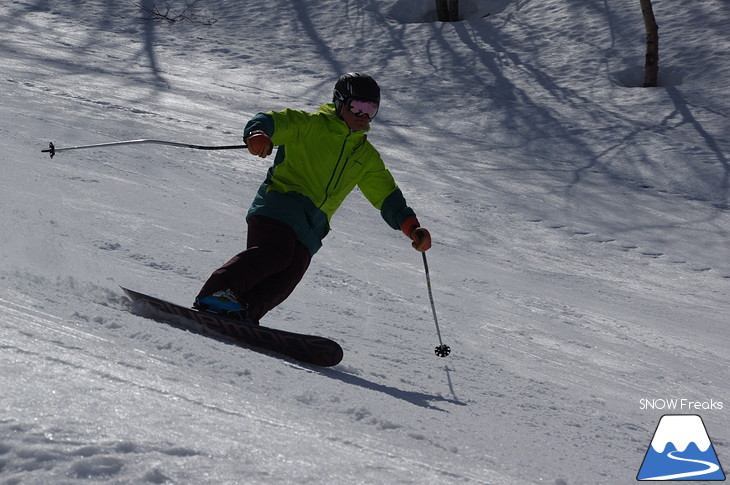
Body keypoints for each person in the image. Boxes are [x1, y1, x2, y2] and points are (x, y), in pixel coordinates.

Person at [194, 72, 431, 324]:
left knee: (290, 273)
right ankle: (215, 294)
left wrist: (411, 227)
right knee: (276, 253)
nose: (363, 115)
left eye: (371, 109)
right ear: (340, 102)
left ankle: (243, 313)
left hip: (312, 225)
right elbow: (272, 121)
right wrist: (258, 133)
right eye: (357, 106)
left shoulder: (365, 155)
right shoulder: (310, 125)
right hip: (280, 204)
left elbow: (385, 193)